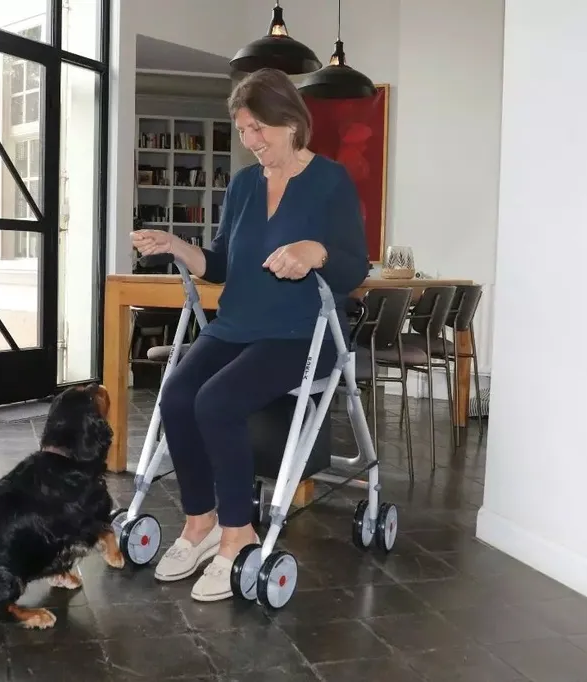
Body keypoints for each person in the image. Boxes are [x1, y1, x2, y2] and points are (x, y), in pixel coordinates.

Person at [130, 68, 369, 602]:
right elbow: (219, 263)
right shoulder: (241, 186)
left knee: (216, 402)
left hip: (300, 334)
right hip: (238, 325)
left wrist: (317, 253)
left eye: (259, 127)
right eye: (243, 131)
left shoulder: (329, 181)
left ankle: (239, 535)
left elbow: (355, 267)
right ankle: (201, 523)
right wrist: (177, 245)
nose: (252, 141)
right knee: (175, 395)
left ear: (290, 121)